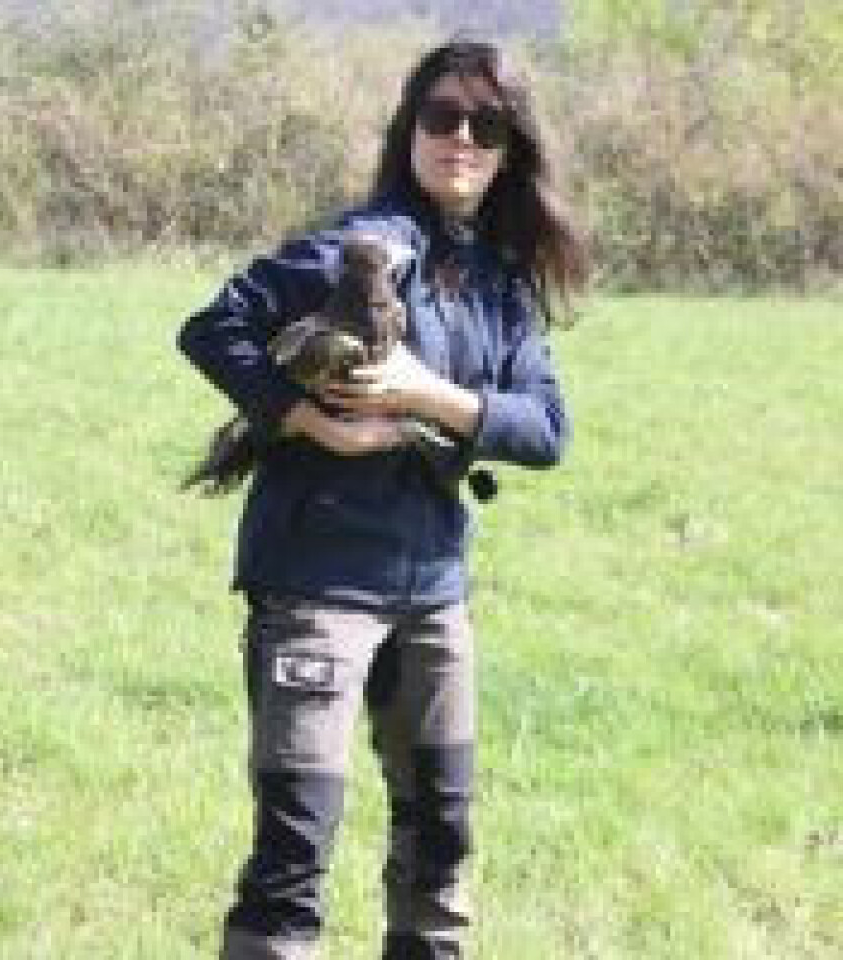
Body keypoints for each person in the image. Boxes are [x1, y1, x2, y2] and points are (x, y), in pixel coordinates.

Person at [177, 38, 588, 960]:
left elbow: (548, 430)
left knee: (439, 842)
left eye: (487, 124)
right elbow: (212, 328)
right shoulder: (356, 250)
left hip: (435, 591)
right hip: (317, 588)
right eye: (442, 116)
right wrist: (308, 423)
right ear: (411, 128)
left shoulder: (500, 282)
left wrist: (420, 395)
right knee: (293, 857)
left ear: (511, 148)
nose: (463, 138)